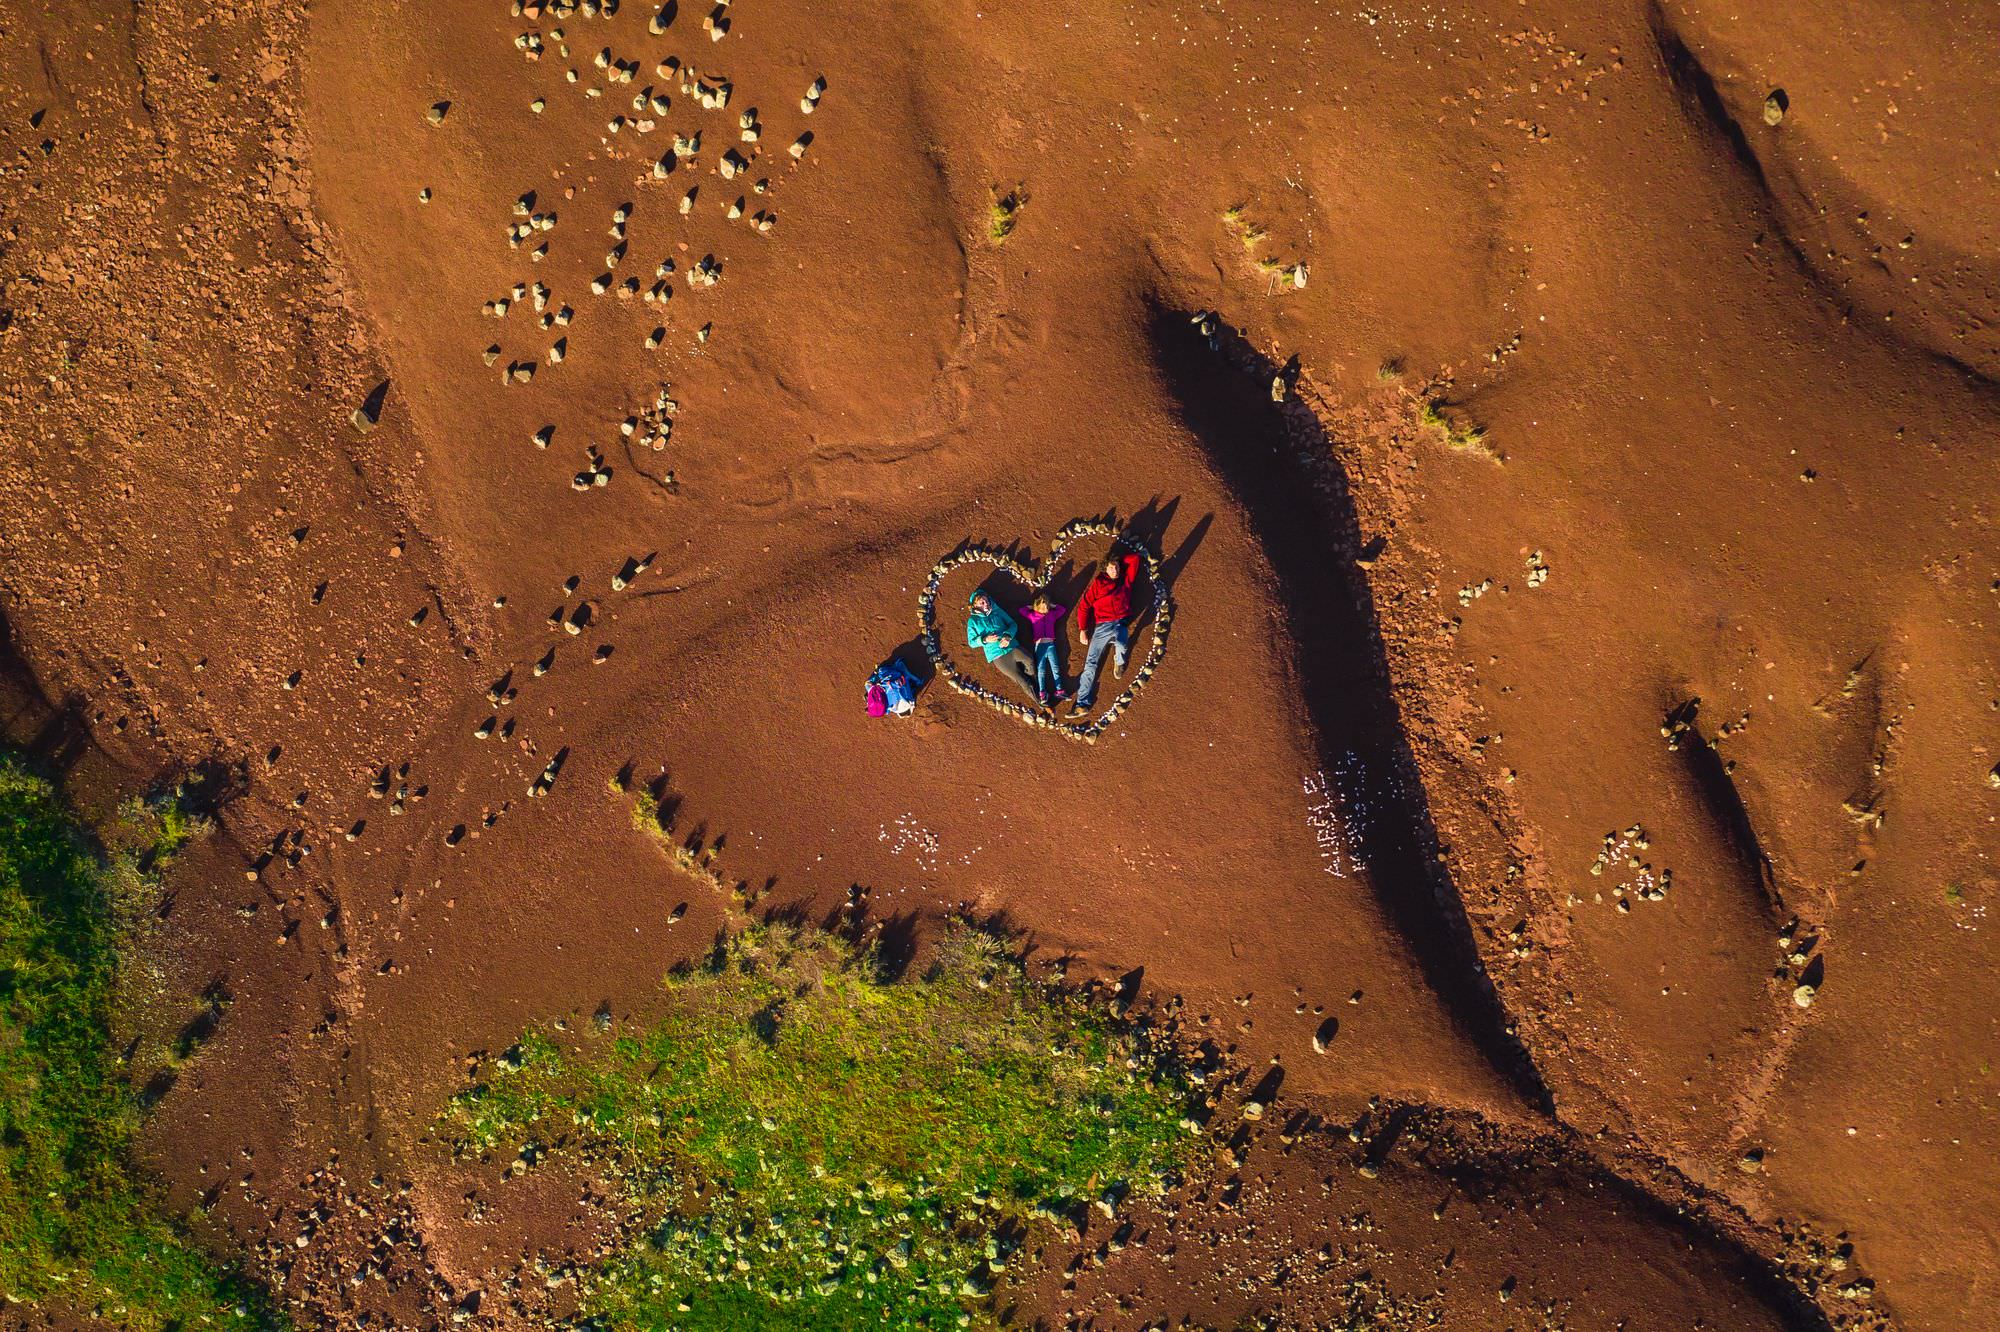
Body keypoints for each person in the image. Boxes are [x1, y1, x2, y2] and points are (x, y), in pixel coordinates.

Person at [1073, 549, 1141, 711]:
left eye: (1117, 567)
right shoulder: (1098, 584)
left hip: (1120, 623)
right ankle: (1082, 702)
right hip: (1101, 626)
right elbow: (1084, 606)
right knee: (1091, 662)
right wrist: (1083, 629)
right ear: (1105, 568)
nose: (1115, 570)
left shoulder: (1126, 580)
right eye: (1111, 567)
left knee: (1121, 644)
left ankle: (1119, 662)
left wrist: (1118, 559)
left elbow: (1135, 559)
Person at [965, 589, 1038, 702]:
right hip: (997, 655)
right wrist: (984, 639)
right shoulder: (973, 621)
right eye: (982, 602)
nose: (986, 604)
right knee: (1020, 680)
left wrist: (1008, 636)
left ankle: (1036, 682)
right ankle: (1040, 702)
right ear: (975, 605)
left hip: (1011, 646)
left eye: (987, 601)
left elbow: (1012, 624)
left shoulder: (997, 611)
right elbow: (971, 642)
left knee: (1029, 660)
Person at [1017, 593, 1069, 708]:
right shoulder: (1033, 615)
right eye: (1042, 606)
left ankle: (1059, 690)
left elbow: (1062, 610)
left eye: (1046, 606)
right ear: (1038, 606)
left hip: (1050, 644)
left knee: (1055, 667)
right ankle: (1042, 693)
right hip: (1039, 645)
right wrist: (1032, 607)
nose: (1045, 609)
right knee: (1041, 670)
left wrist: (1052, 605)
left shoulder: (1052, 614)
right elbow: (1022, 610)